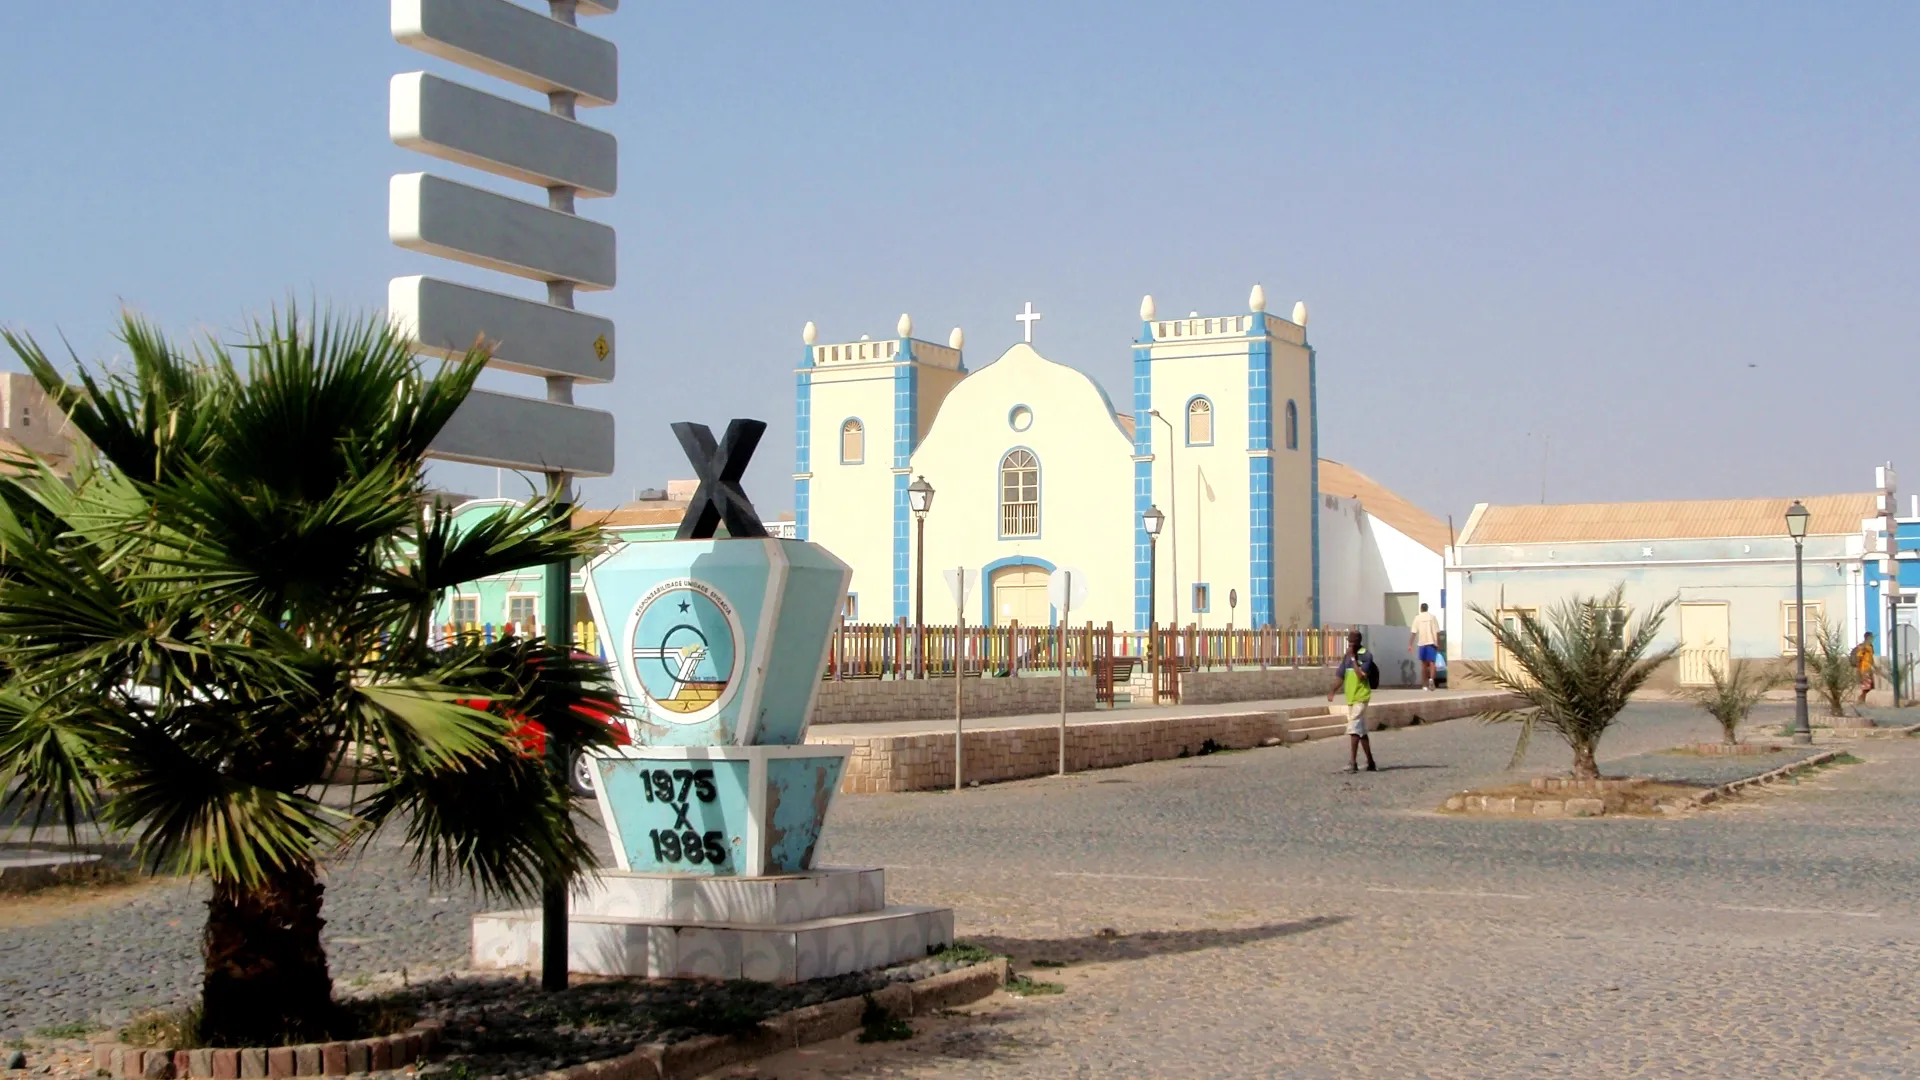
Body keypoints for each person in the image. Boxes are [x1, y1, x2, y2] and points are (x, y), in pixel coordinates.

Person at [1327, 630, 1379, 773]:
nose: (1351, 646)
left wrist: (1354, 659)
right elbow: (1340, 676)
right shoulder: (1346, 658)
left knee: (1354, 727)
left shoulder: (1366, 655)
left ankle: (1352, 762)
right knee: (1361, 731)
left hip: (1361, 697)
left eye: (1353, 643)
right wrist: (1332, 690)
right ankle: (1371, 762)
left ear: (1358, 642)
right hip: (1351, 698)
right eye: (1349, 643)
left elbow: (1361, 676)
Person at [1411, 602, 1442, 691]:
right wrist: (1438, 644)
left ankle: (1424, 685)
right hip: (1431, 642)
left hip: (1422, 643)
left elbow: (1413, 632)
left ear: (1421, 609)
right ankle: (1431, 679)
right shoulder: (1432, 617)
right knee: (1432, 663)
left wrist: (1410, 644)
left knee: (1424, 664)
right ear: (1427, 608)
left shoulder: (1417, 618)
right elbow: (1437, 631)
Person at [1852, 633, 1877, 704]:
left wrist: (1874, 666)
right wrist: (1858, 668)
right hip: (1864, 669)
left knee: (1870, 686)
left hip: (1869, 669)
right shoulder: (1863, 647)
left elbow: (1871, 658)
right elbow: (1859, 657)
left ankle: (1862, 699)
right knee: (1867, 686)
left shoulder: (1870, 646)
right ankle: (1861, 699)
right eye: (1871, 637)